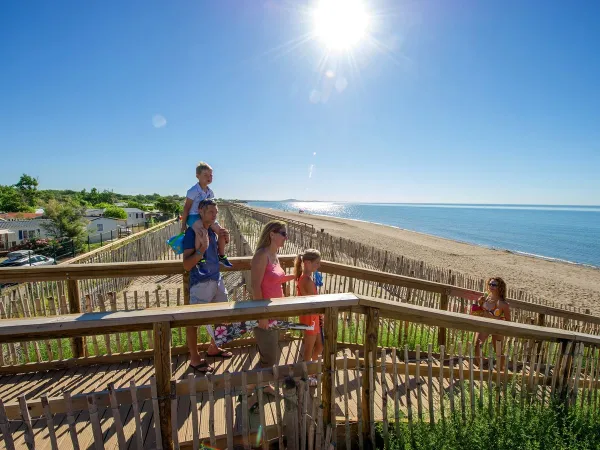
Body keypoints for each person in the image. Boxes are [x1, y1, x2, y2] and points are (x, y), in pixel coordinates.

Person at [247, 220, 295, 408]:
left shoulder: (275, 255)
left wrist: (297, 276)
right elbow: (256, 287)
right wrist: (262, 315)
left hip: (276, 311)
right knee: (269, 357)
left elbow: (277, 279)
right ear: (272, 234)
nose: (286, 237)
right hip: (265, 312)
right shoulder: (261, 256)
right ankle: (248, 388)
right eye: (283, 233)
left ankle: (264, 384)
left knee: (271, 353)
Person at [182, 199, 233, 374]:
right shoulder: (192, 233)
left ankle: (213, 348)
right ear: (201, 212)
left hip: (216, 279)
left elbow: (219, 256)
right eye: (211, 211)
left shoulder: (211, 232)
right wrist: (201, 250)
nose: (214, 215)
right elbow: (187, 265)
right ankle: (194, 359)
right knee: (194, 322)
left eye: (216, 212)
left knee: (224, 315)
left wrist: (223, 242)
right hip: (201, 283)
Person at [181, 161, 231, 267]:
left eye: (211, 175)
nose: (209, 177)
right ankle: (200, 258)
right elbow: (186, 209)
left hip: (206, 216)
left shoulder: (210, 192)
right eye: (205, 175)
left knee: (222, 232)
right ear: (197, 176)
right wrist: (183, 225)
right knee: (201, 232)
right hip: (194, 216)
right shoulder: (193, 191)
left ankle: (221, 255)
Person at [295, 248, 323, 387]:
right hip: (310, 318)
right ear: (307, 263)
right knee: (309, 348)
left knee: (320, 345)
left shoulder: (306, 278)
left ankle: (311, 370)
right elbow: (315, 301)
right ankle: (305, 376)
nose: (318, 266)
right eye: (316, 263)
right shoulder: (306, 280)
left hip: (313, 317)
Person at [474, 277, 511, 369]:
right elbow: (482, 310)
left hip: (496, 327)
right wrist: (480, 303)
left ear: (500, 287)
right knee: (477, 346)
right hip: (484, 325)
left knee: (498, 351)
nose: (491, 286)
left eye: (494, 285)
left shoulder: (503, 304)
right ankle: (482, 366)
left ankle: (501, 369)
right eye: (490, 284)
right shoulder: (486, 296)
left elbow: (508, 320)